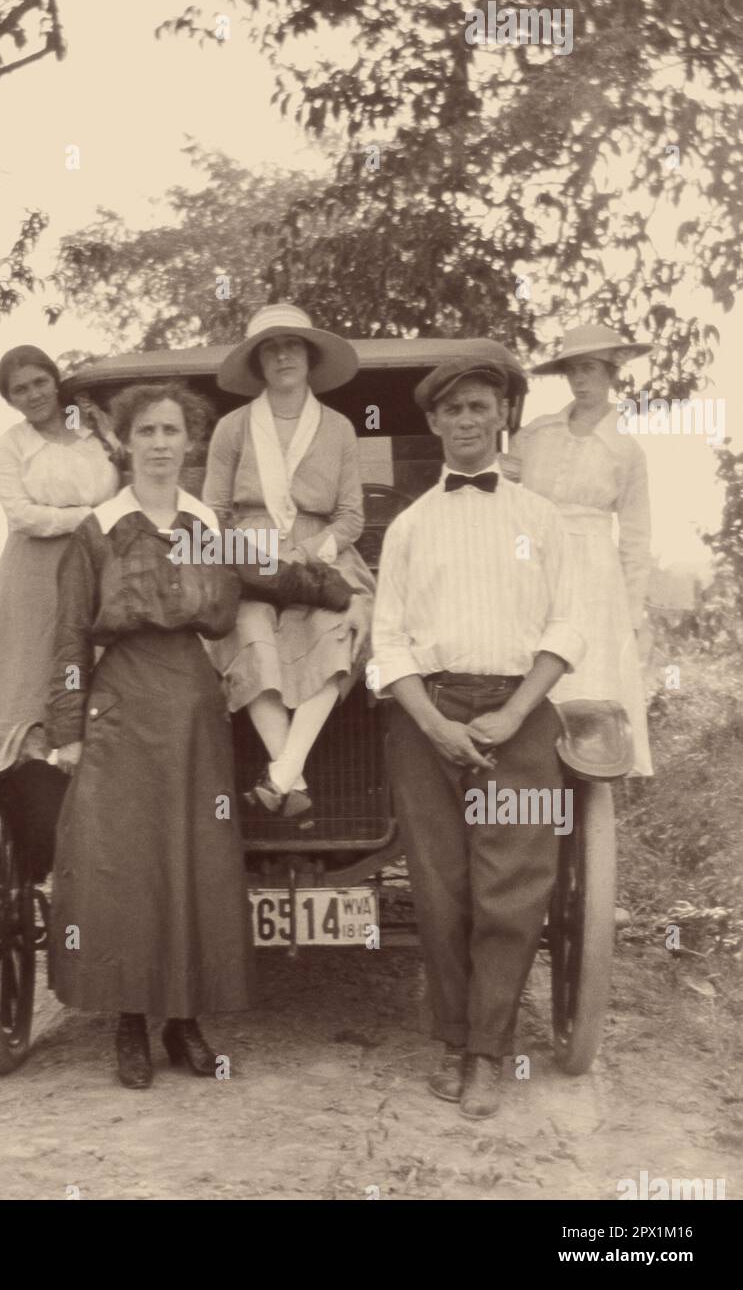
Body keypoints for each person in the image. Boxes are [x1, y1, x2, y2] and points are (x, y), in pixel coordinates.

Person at [371, 353, 585, 1120]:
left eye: (479, 407)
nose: (465, 421)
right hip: (424, 717)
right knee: (441, 891)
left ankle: (487, 1057)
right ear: (433, 423)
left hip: (518, 719)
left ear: (502, 417)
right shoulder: (408, 527)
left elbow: (567, 626)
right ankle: (456, 1040)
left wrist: (513, 712)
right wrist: (432, 723)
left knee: (508, 894)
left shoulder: (541, 519)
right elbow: (387, 642)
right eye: (451, 410)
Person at [44, 383, 255, 1089]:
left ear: (190, 442)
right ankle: (129, 1023)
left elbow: (258, 578)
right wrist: (68, 732)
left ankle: (184, 1022)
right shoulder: (97, 528)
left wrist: (334, 589)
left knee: (192, 859)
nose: (161, 444)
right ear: (125, 444)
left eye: (172, 431)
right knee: (126, 866)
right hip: (123, 701)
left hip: (193, 706)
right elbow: (70, 635)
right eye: (147, 432)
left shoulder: (205, 523)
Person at [203, 303, 374, 819]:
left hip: (321, 555)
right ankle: (291, 777)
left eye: (292, 345)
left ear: (309, 356)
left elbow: (350, 516)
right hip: (248, 554)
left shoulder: (339, 427)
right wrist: (247, 558)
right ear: (258, 363)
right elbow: (213, 511)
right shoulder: (233, 427)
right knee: (246, 630)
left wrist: (305, 552)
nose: (282, 356)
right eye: (270, 348)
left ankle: (281, 774)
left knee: (341, 627)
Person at [506, 323, 653, 776]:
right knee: (536, 665)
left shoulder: (625, 448)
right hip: (536, 562)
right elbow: (504, 491)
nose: (580, 380)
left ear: (612, 372)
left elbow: (635, 535)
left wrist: (631, 611)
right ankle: (534, 775)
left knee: (591, 677)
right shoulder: (536, 434)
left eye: (589, 369)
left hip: (595, 572)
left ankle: (594, 776)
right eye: (572, 371)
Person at [0, 344, 119, 723]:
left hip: (100, 561)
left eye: (40, 382)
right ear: (9, 399)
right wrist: (92, 517)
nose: (34, 394)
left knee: (95, 660)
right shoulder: (12, 444)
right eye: (20, 389)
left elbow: (128, 482)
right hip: (35, 571)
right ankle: (24, 771)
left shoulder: (94, 432)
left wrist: (110, 434)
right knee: (33, 669)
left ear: (56, 383)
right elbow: (21, 515)